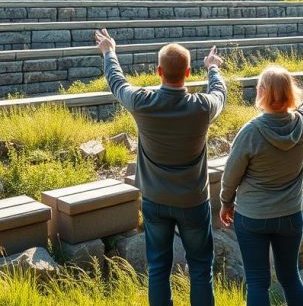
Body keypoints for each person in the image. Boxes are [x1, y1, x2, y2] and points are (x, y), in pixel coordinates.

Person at [95, 29, 227, 306]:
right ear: (189, 72)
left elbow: (117, 83)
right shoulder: (202, 107)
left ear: (158, 71)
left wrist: (109, 52)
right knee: (201, 269)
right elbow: (219, 92)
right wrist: (213, 68)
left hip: (155, 201)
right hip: (193, 201)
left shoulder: (143, 102)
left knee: (158, 269)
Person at [217, 39, 303, 306]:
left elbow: (231, 175)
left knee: (257, 281)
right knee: (290, 277)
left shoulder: (251, 132)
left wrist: (225, 202)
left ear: (261, 92)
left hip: (252, 216)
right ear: (290, 92)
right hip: (290, 215)